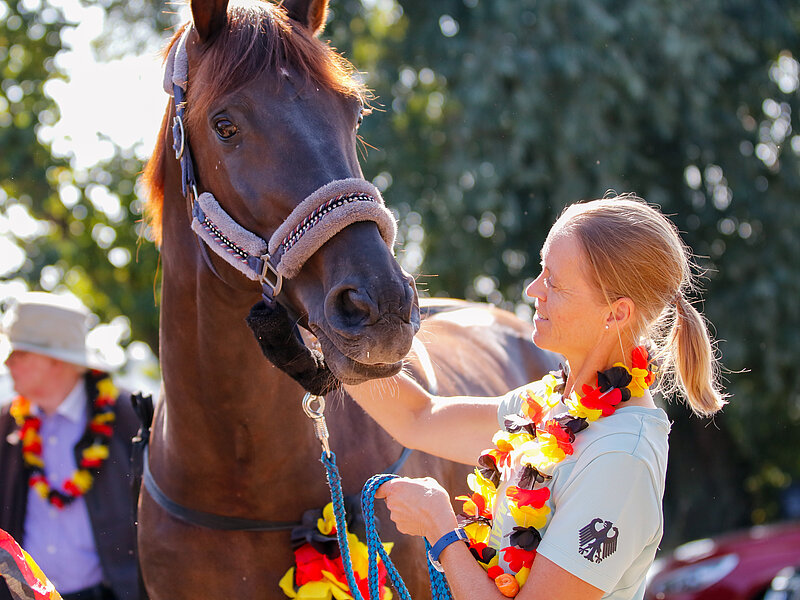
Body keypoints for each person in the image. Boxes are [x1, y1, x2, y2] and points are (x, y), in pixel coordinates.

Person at [335, 195, 727, 599]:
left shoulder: (620, 458)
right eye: (542, 270)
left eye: (555, 283)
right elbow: (419, 416)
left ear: (615, 313)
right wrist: (322, 339)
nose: (532, 289)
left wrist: (440, 531)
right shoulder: (548, 404)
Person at [0, 292, 141, 600]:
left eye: (20, 353)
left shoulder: (129, 419)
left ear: (56, 360)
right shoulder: (5, 422)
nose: (8, 361)